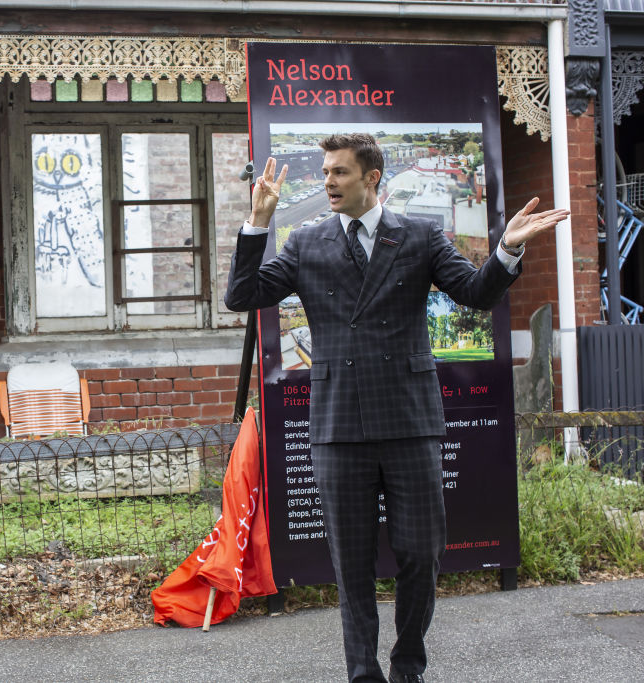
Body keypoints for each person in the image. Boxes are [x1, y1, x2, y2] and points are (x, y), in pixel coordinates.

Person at [224, 134, 568, 683]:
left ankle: (408, 660)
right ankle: (362, 670)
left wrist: (508, 249)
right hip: (338, 423)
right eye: (326, 172)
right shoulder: (306, 242)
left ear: (372, 176)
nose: (328, 182)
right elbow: (242, 296)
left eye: (339, 173)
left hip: (409, 420)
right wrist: (258, 224)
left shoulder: (419, 235)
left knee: (421, 552)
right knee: (351, 563)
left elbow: (475, 293)